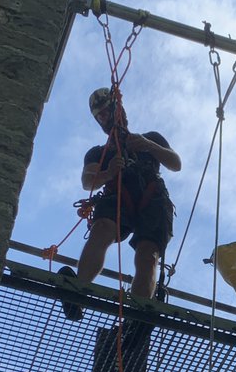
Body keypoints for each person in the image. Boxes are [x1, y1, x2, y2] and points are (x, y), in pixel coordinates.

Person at [59, 87, 181, 319]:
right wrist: (108, 172)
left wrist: (148, 145)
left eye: (108, 112)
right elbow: (88, 181)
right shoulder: (99, 153)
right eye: (101, 116)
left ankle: (137, 316)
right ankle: (79, 290)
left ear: (119, 109)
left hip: (151, 197)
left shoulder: (150, 138)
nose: (106, 118)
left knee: (148, 254)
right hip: (119, 196)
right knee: (103, 229)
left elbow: (175, 163)